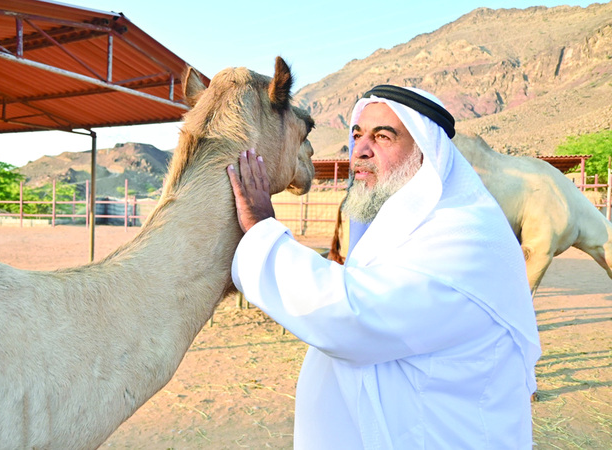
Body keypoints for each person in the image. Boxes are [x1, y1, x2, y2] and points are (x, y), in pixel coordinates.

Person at [226, 85, 541, 449]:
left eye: (383, 136)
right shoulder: (416, 224)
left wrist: (263, 231)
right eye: (357, 134)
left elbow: (352, 315)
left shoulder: (467, 238)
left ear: (426, 152)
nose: (359, 149)